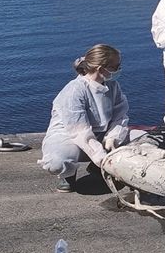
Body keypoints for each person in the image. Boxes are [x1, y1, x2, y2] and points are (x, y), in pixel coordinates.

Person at [38, 44, 130, 193]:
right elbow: (79, 131)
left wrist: (113, 137)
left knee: (144, 141)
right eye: (115, 67)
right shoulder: (74, 90)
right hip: (68, 137)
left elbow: (120, 116)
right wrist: (101, 157)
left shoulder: (113, 86)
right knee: (56, 162)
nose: (118, 70)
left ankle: (95, 168)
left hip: (101, 134)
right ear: (101, 69)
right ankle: (67, 173)